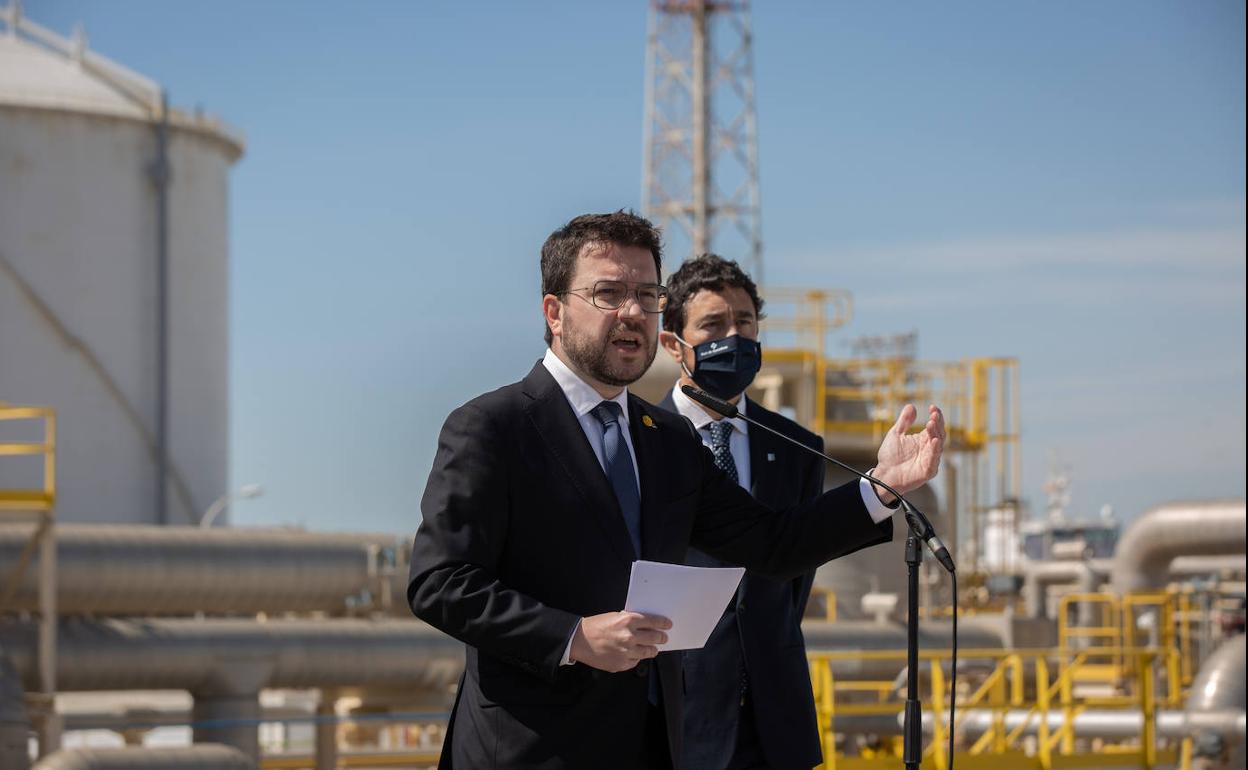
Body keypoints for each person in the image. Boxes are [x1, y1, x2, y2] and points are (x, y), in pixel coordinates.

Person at [407, 210, 946, 770]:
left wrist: (881, 488)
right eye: (608, 294)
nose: (633, 312)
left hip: (651, 748)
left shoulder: (667, 440)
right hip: (528, 750)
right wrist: (573, 637)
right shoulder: (492, 427)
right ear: (555, 312)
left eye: (647, 295)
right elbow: (440, 583)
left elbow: (771, 544)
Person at [656, 254, 854, 770]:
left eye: (744, 322)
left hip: (774, 723)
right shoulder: (641, 440)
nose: (733, 337)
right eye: (712, 325)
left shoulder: (796, 448)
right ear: (673, 344)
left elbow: (793, 577)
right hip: (677, 720)